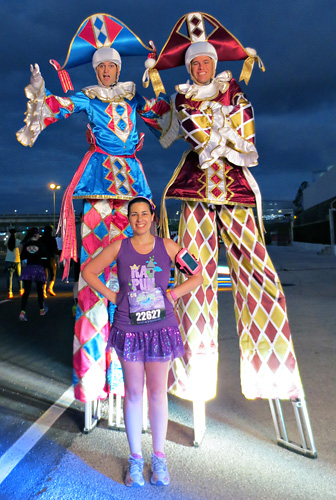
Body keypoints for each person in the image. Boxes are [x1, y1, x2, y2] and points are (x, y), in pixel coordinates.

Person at [141, 12, 303, 403]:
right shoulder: (184, 97)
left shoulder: (234, 91)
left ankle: (273, 373)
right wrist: (178, 116)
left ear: (215, 63)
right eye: (194, 63)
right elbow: (185, 131)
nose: (199, 67)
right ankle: (193, 376)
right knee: (194, 277)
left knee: (259, 273)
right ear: (189, 66)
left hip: (237, 192)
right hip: (195, 192)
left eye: (206, 62)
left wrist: (210, 125)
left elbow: (244, 132)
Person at [16, 13, 168, 402]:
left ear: (119, 68)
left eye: (110, 66)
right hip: (98, 190)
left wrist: (156, 80)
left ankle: (132, 378)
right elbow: (57, 106)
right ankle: (92, 378)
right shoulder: (88, 96)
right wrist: (39, 91)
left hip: (134, 189)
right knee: (92, 280)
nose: (104, 71)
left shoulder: (134, 96)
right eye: (100, 66)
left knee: (140, 278)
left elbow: (164, 124)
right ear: (96, 69)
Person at [82, 196, 203, 487]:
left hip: (161, 329)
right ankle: (136, 458)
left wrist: (172, 295)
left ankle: (159, 458)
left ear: (153, 217)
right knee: (134, 394)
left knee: (158, 394)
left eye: (144, 214)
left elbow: (197, 275)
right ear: (128, 218)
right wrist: (114, 297)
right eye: (134, 214)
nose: (139, 219)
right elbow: (88, 272)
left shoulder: (168, 247)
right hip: (130, 330)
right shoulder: (119, 247)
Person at [19, 227, 48, 321]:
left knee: (26, 291)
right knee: (40, 290)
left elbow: (22, 257)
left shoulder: (26, 244)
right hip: (38, 268)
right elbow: (45, 256)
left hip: (28, 268)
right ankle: (41, 310)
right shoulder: (41, 244)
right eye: (38, 233)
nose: (39, 235)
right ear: (35, 234)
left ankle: (22, 312)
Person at [5, 228, 24, 299]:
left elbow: (5, 245)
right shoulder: (18, 241)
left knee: (9, 277)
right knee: (19, 276)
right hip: (17, 260)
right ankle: (21, 289)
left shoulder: (7, 241)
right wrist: (20, 254)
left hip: (8, 260)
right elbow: (21, 247)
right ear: (15, 234)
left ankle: (10, 292)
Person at [41, 225, 58, 297]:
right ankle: (50, 288)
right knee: (53, 273)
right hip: (51, 258)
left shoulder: (41, 239)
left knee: (44, 275)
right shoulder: (52, 239)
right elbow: (55, 249)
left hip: (42, 258)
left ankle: (43, 291)